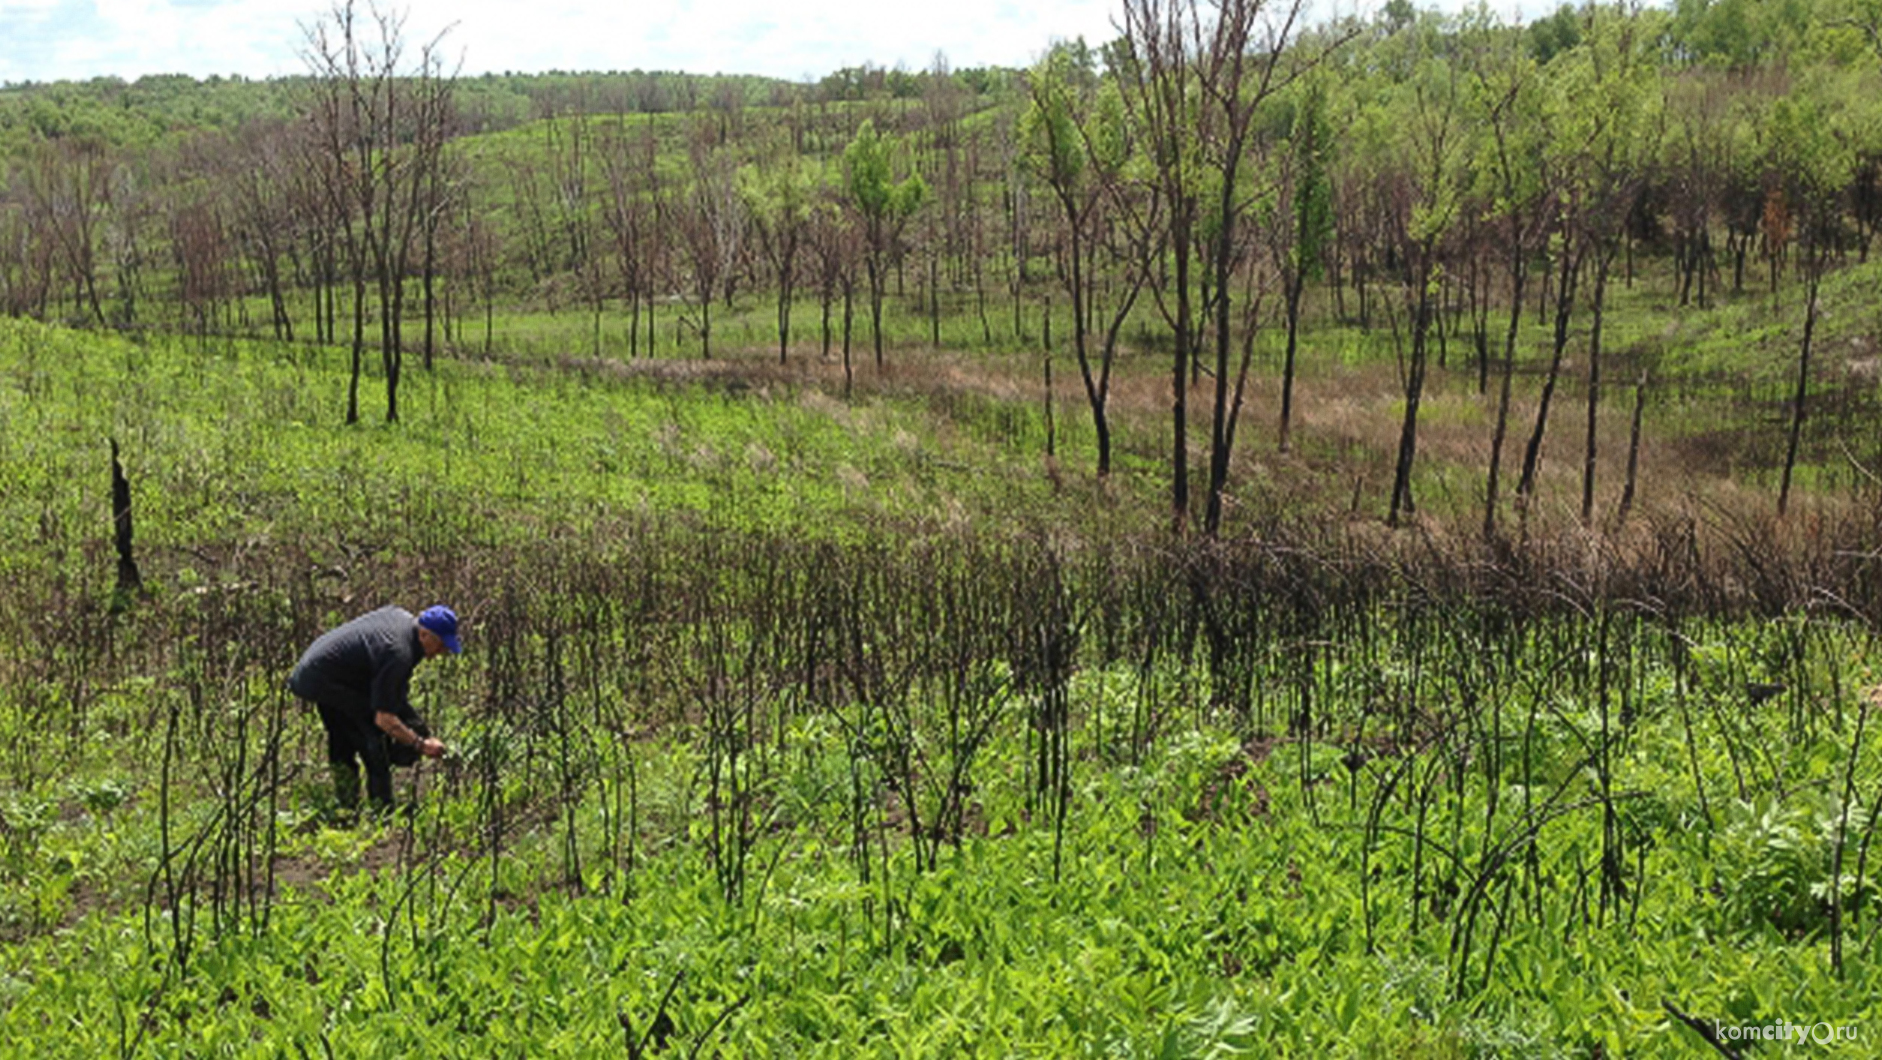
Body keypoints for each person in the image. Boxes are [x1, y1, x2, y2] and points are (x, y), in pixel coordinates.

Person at [288, 604, 459, 815]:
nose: (442, 652)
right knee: (372, 737)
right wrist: (420, 744)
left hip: (326, 673)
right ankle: (381, 809)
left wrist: (415, 726)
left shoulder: (403, 619)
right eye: (441, 645)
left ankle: (347, 805)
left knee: (346, 734)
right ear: (424, 634)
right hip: (321, 680)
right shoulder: (399, 652)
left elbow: (392, 694)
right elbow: (384, 718)